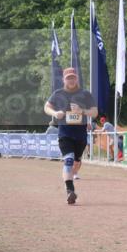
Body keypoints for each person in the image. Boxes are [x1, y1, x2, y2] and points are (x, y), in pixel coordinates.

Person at [44, 68, 98, 204]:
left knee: (77, 161)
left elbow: (95, 112)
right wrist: (55, 113)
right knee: (68, 159)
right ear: (64, 80)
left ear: (77, 79)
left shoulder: (85, 94)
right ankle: (70, 191)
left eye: (73, 77)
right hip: (65, 134)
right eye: (68, 78)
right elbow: (46, 107)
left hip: (80, 135)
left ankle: (74, 172)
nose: (71, 80)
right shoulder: (58, 94)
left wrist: (82, 111)